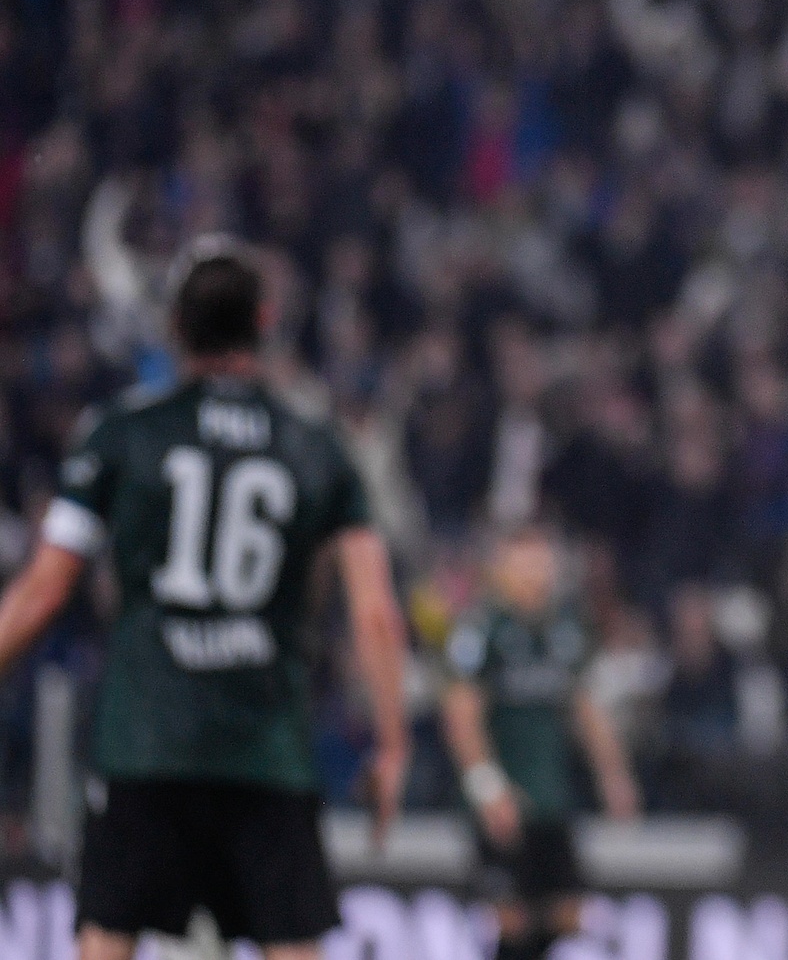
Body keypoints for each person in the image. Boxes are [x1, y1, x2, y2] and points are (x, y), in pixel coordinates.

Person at [0, 238, 411, 960]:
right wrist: (393, 741)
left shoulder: (119, 434)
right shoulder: (318, 445)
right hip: (266, 747)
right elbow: (375, 611)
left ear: (176, 326)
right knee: (293, 946)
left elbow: (42, 592)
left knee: (105, 940)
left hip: (146, 740)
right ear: (265, 318)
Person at [441, 525, 639, 960]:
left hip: (551, 798)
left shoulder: (566, 628)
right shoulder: (482, 629)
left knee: (569, 913)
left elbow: (586, 707)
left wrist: (614, 775)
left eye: (542, 561)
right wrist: (487, 787)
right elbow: (461, 713)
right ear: (500, 568)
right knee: (509, 918)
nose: (535, 572)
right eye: (524, 562)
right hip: (503, 799)